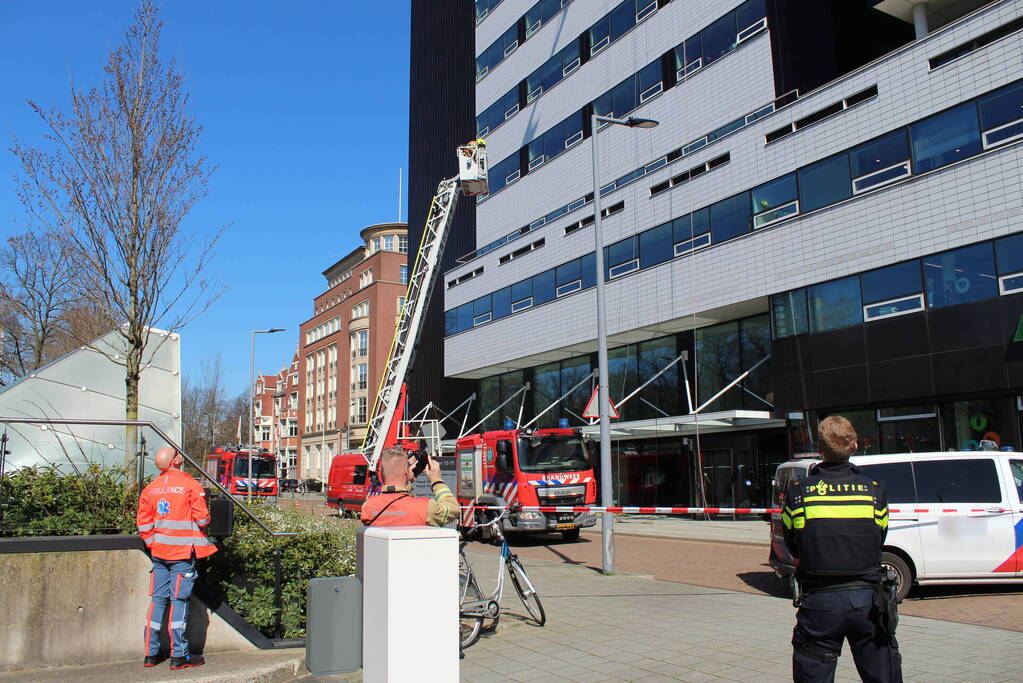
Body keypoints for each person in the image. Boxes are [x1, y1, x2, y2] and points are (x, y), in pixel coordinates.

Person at [782, 416, 901, 683]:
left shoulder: (799, 492)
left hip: (819, 603)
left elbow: (792, 545)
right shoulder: (874, 492)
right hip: (869, 603)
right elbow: (878, 537)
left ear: (820, 449)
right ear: (855, 446)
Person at [136, 447, 218, 670]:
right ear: (173, 462)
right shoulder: (189, 484)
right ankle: (179, 656)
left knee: (158, 601)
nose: (180, 455)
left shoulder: (150, 489)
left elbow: (143, 524)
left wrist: (154, 543)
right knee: (179, 603)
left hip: (159, 555)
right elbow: (202, 520)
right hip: (182, 555)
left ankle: (150, 654)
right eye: (176, 454)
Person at [360, 447, 460, 527]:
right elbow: (453, 509)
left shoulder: (368, 507)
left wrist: (406, 478)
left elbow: (395, 503)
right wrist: (436, 480)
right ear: (406, 472)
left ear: (381, 473)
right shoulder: (426, 508)